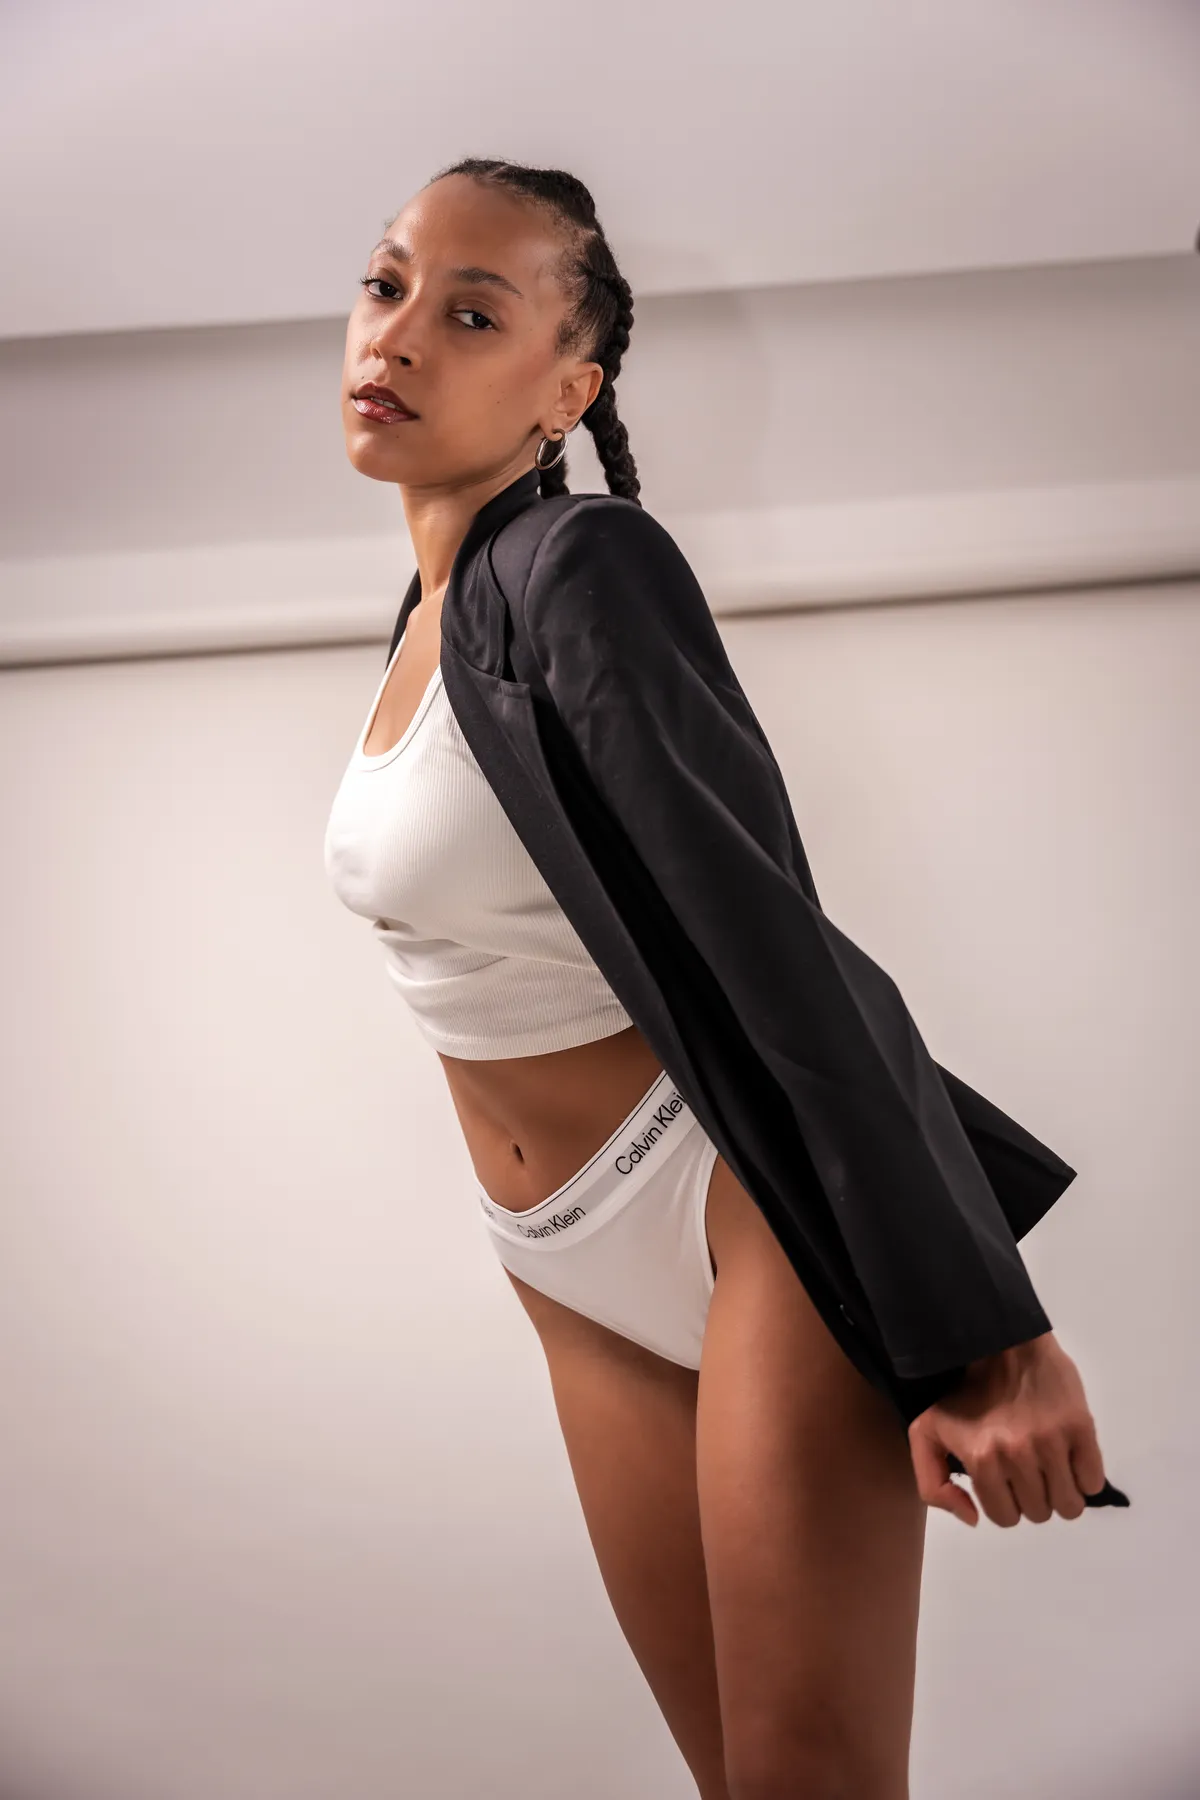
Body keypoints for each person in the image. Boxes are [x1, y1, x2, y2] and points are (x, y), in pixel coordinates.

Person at [323, 157, 1109, 1800]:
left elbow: (777, 943)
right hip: (563, 1271)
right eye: (388, 285)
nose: (398, 334)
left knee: (815, 1778)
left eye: (474, 313)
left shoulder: (581, 564)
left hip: (727, 1207)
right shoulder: (427, 611)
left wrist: (997, 1334)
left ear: (568, 388)